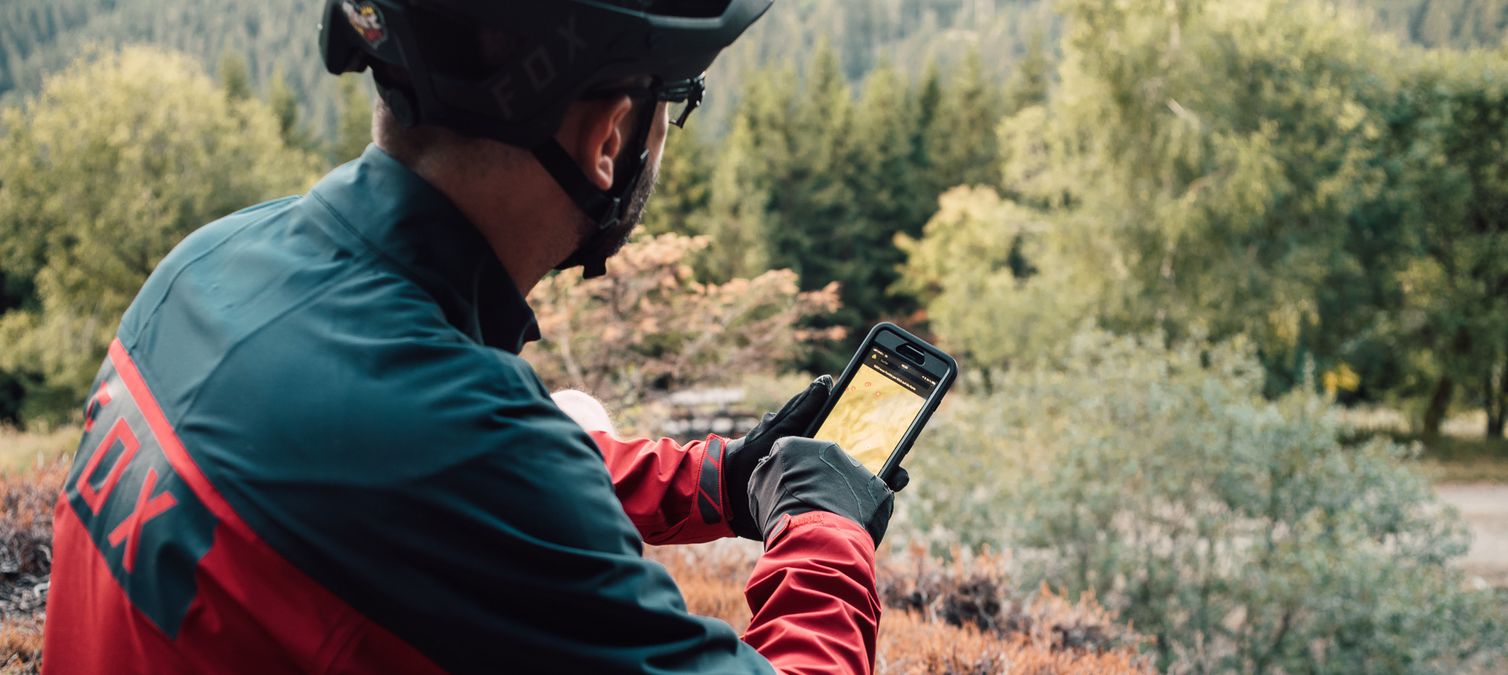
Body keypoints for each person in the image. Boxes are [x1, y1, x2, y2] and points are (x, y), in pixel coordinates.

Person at [42, 1, 903, 672]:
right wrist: (825, 530)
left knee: (572, 408)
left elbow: (405, 466)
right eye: (672, 105)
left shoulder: (211, 263)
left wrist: (721, 480)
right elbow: (472, 471)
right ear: (608, 137)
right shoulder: (463, 453)